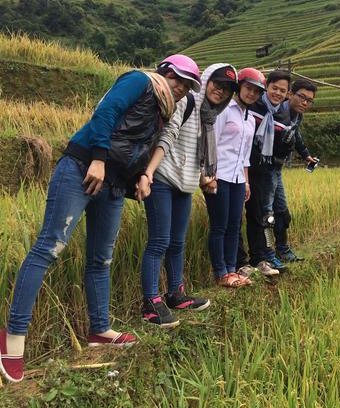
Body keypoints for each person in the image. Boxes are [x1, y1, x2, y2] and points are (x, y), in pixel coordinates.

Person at [0, 55, 198, 383]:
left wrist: (141, 177)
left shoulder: (164, 114)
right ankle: (12, 338)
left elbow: (137, 149)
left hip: (114, 185)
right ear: (164, 71)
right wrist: (98, 158)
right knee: (49, 248)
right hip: (82, 168)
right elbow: (106, 113)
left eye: (188, 86)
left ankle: (100, 329)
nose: (180, 88)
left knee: (101, 260)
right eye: (178, 79)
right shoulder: (139, 81)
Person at [138, 62, 236, 328]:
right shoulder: (187, 101)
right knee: (159, 241)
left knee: (177, 242)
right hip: (163, 177)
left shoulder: (209, 116)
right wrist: (149, 172)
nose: (220, 91)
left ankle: (176, 294)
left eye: (227, 89)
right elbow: (168, 135)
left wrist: (203, 176)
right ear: (206, 80)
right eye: (217, 84)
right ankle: (150, 302)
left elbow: (197, 150)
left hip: (186, 182)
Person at [204, 68, 265, 287]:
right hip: (219, 176)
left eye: (257, 92)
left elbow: (245, 156)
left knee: (234, 226)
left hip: (238, 179)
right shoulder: (224, 110)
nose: (252, 94)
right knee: (219, 226)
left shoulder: (250, 119)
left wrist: (246, 181)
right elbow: (210, 143)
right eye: (248, 88)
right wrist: (208, 176)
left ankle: (232, 270)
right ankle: (220, 273)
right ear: (239, 87)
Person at [241, 70, 292, 276]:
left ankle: (262, 257)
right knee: (235, 219)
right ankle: (238, 263)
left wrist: (285, 146)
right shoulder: (252, 105)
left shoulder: (283, 115)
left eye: (283, 91)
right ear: (266, 87)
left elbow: (280, 149)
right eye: (274, 88)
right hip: (241, 168)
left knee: (262, 216)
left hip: (264, 172)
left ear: (287, 94)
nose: (277, 93)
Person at [270, 78, 318, 263]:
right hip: (263, 167)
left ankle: (282, 250)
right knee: (265, 214)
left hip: (276, 168)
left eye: (309, 100)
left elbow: (295, 134)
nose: (305, 103)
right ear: (290, 94)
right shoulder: (275, 111)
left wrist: (306, 155)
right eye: (302, 97)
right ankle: (265, 255)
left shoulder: (297, 115)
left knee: (282, 213)